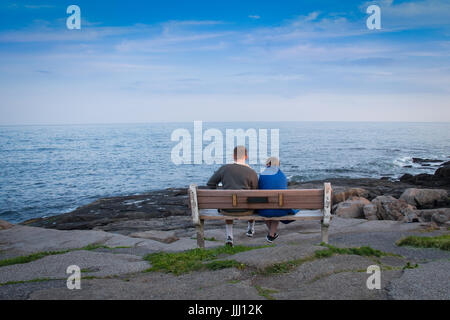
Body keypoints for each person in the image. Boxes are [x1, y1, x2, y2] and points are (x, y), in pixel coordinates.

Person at [207, 145, 258, 246]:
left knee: (228, 202)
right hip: (246, 210)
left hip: (227, 209)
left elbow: (210, 184)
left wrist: (218, 198)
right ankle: (250, 229)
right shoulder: (252, 172)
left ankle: (229, 236)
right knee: (253, 201)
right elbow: (255, 192)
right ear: (246, 156)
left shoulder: (224, 168)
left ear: (234, 156)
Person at [258, 156, 298, 243]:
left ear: (268, 164)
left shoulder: (262, 175)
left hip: (264, 211)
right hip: (280, 209)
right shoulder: (282, 175)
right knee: (278, 206)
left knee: (267, 207)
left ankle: (272, 234)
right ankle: (271, 234)